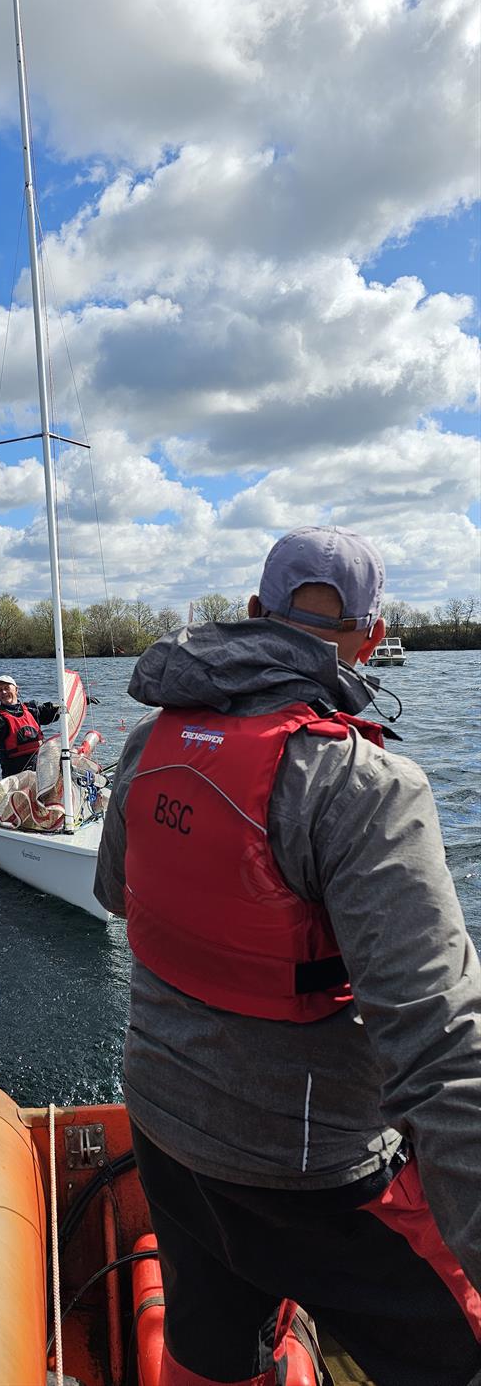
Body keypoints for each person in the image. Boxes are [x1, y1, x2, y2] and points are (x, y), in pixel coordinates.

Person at [94, 526, 481, 1386]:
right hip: (311, 1179)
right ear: (373, 638)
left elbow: (118, 895)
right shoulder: (366, 787)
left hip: (164, 1125)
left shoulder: (147, 743)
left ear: (251, 614)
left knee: (208, 1345)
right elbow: (444, 1051)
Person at [0, 673, 60, 777]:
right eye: (0, 690)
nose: (3, 692)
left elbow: (56, 711)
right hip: (15, 777)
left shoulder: (33, 710)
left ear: (16, 690)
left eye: (7, 688)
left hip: (42, 772)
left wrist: (62, 704)